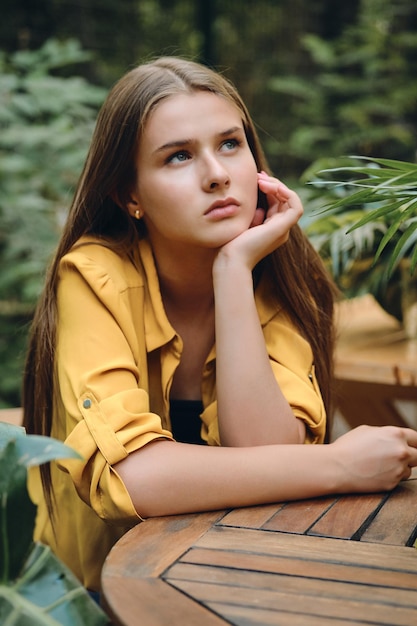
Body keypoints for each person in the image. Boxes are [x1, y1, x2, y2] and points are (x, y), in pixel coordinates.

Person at [23, 56, 417, 593]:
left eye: (230, 143)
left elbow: (265, 448)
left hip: (243, 574)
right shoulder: (94, 275)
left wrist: (232, 272)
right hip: (98, 594)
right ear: (129, 195)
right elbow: (131, 478)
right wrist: (341, 466)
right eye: (178, 156)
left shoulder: (276, 277)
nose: (216, 174)